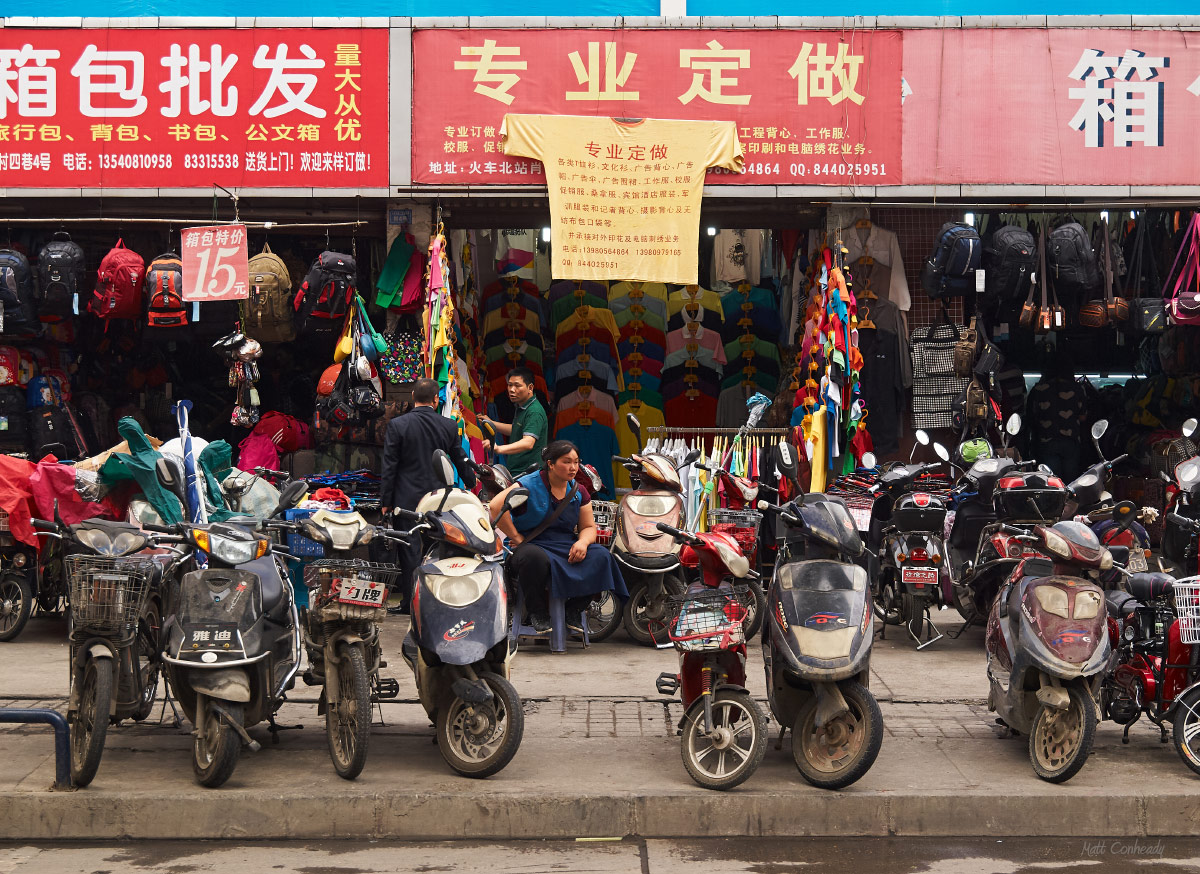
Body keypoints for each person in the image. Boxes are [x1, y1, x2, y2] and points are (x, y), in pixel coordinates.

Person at [490, 440, 626, 635]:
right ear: (551, 464)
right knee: (533, 558)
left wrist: (583, 542)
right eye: (566, 462)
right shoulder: (528, 484)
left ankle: (573, 610)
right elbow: (495, 507)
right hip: (532, 544)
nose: (573, 468)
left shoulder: (579, 491)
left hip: (565, 544)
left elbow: (588, 527)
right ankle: (538, 613)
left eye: (576, 462)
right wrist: (517, 537)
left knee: (602, 557)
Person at [381, 378, 477, 604]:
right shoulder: (449, 426)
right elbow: (459, 459)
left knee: (409, 550)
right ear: (436, 399)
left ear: (412, 396)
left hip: (405, 498)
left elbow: (389, 466)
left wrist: (385, 500)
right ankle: (436, 598)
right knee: (437, 547)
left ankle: (410, 602)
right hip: (438, 499)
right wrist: (471, 482)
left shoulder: (397, 425)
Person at [479, 367, 547, 477]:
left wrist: (498, 448)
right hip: (519, 472)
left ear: (530, 387)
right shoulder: (522, 406)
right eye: (510, 385)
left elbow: (528, 442)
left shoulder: (534, 411)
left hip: (529, 474)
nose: (511, 389)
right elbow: (516, 430)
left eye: (517, 385)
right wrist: (492, 423)